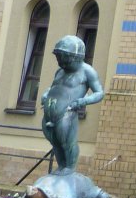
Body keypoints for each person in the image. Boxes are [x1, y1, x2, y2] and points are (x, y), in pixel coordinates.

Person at [40, 35, 104, 173]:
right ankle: (61, 167)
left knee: (67, 142)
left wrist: (83, 101)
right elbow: (53, 87)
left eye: (63, 57)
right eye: (58, 57)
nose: (60, 61)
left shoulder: (87, 71)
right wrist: (45, 94)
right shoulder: (60, 71)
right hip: (49, 114)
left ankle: (70, 167)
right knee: (55, 143)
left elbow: (99, 93)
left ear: (75, 57)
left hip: (67, 113)